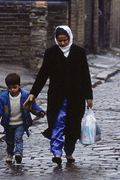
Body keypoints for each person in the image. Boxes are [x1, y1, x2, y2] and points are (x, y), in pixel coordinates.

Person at [23, 25, 93, 165]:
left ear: (70, 38)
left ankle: (69, 152)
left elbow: (85, 75)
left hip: (76, 97)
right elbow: (43, 74)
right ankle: (57, 153)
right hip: (57, 97)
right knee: (56, 124)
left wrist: (89, 96)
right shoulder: (51, 53)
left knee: (73, 126)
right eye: (59, 40)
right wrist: (33, 94)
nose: (62, 43)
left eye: (65, 40)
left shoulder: (79, 52)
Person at [0, 73, 45, 164]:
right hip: (9, 124)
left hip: (21, 123)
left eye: (14, 87)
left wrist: (39, 112)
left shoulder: (25, 96)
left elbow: (33, 106)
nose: (12, 90)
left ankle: (18, 153)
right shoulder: (3, 98)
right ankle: (10, 154)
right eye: (10, 88)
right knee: (10, 141)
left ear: (19, 85)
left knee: (18, 137)